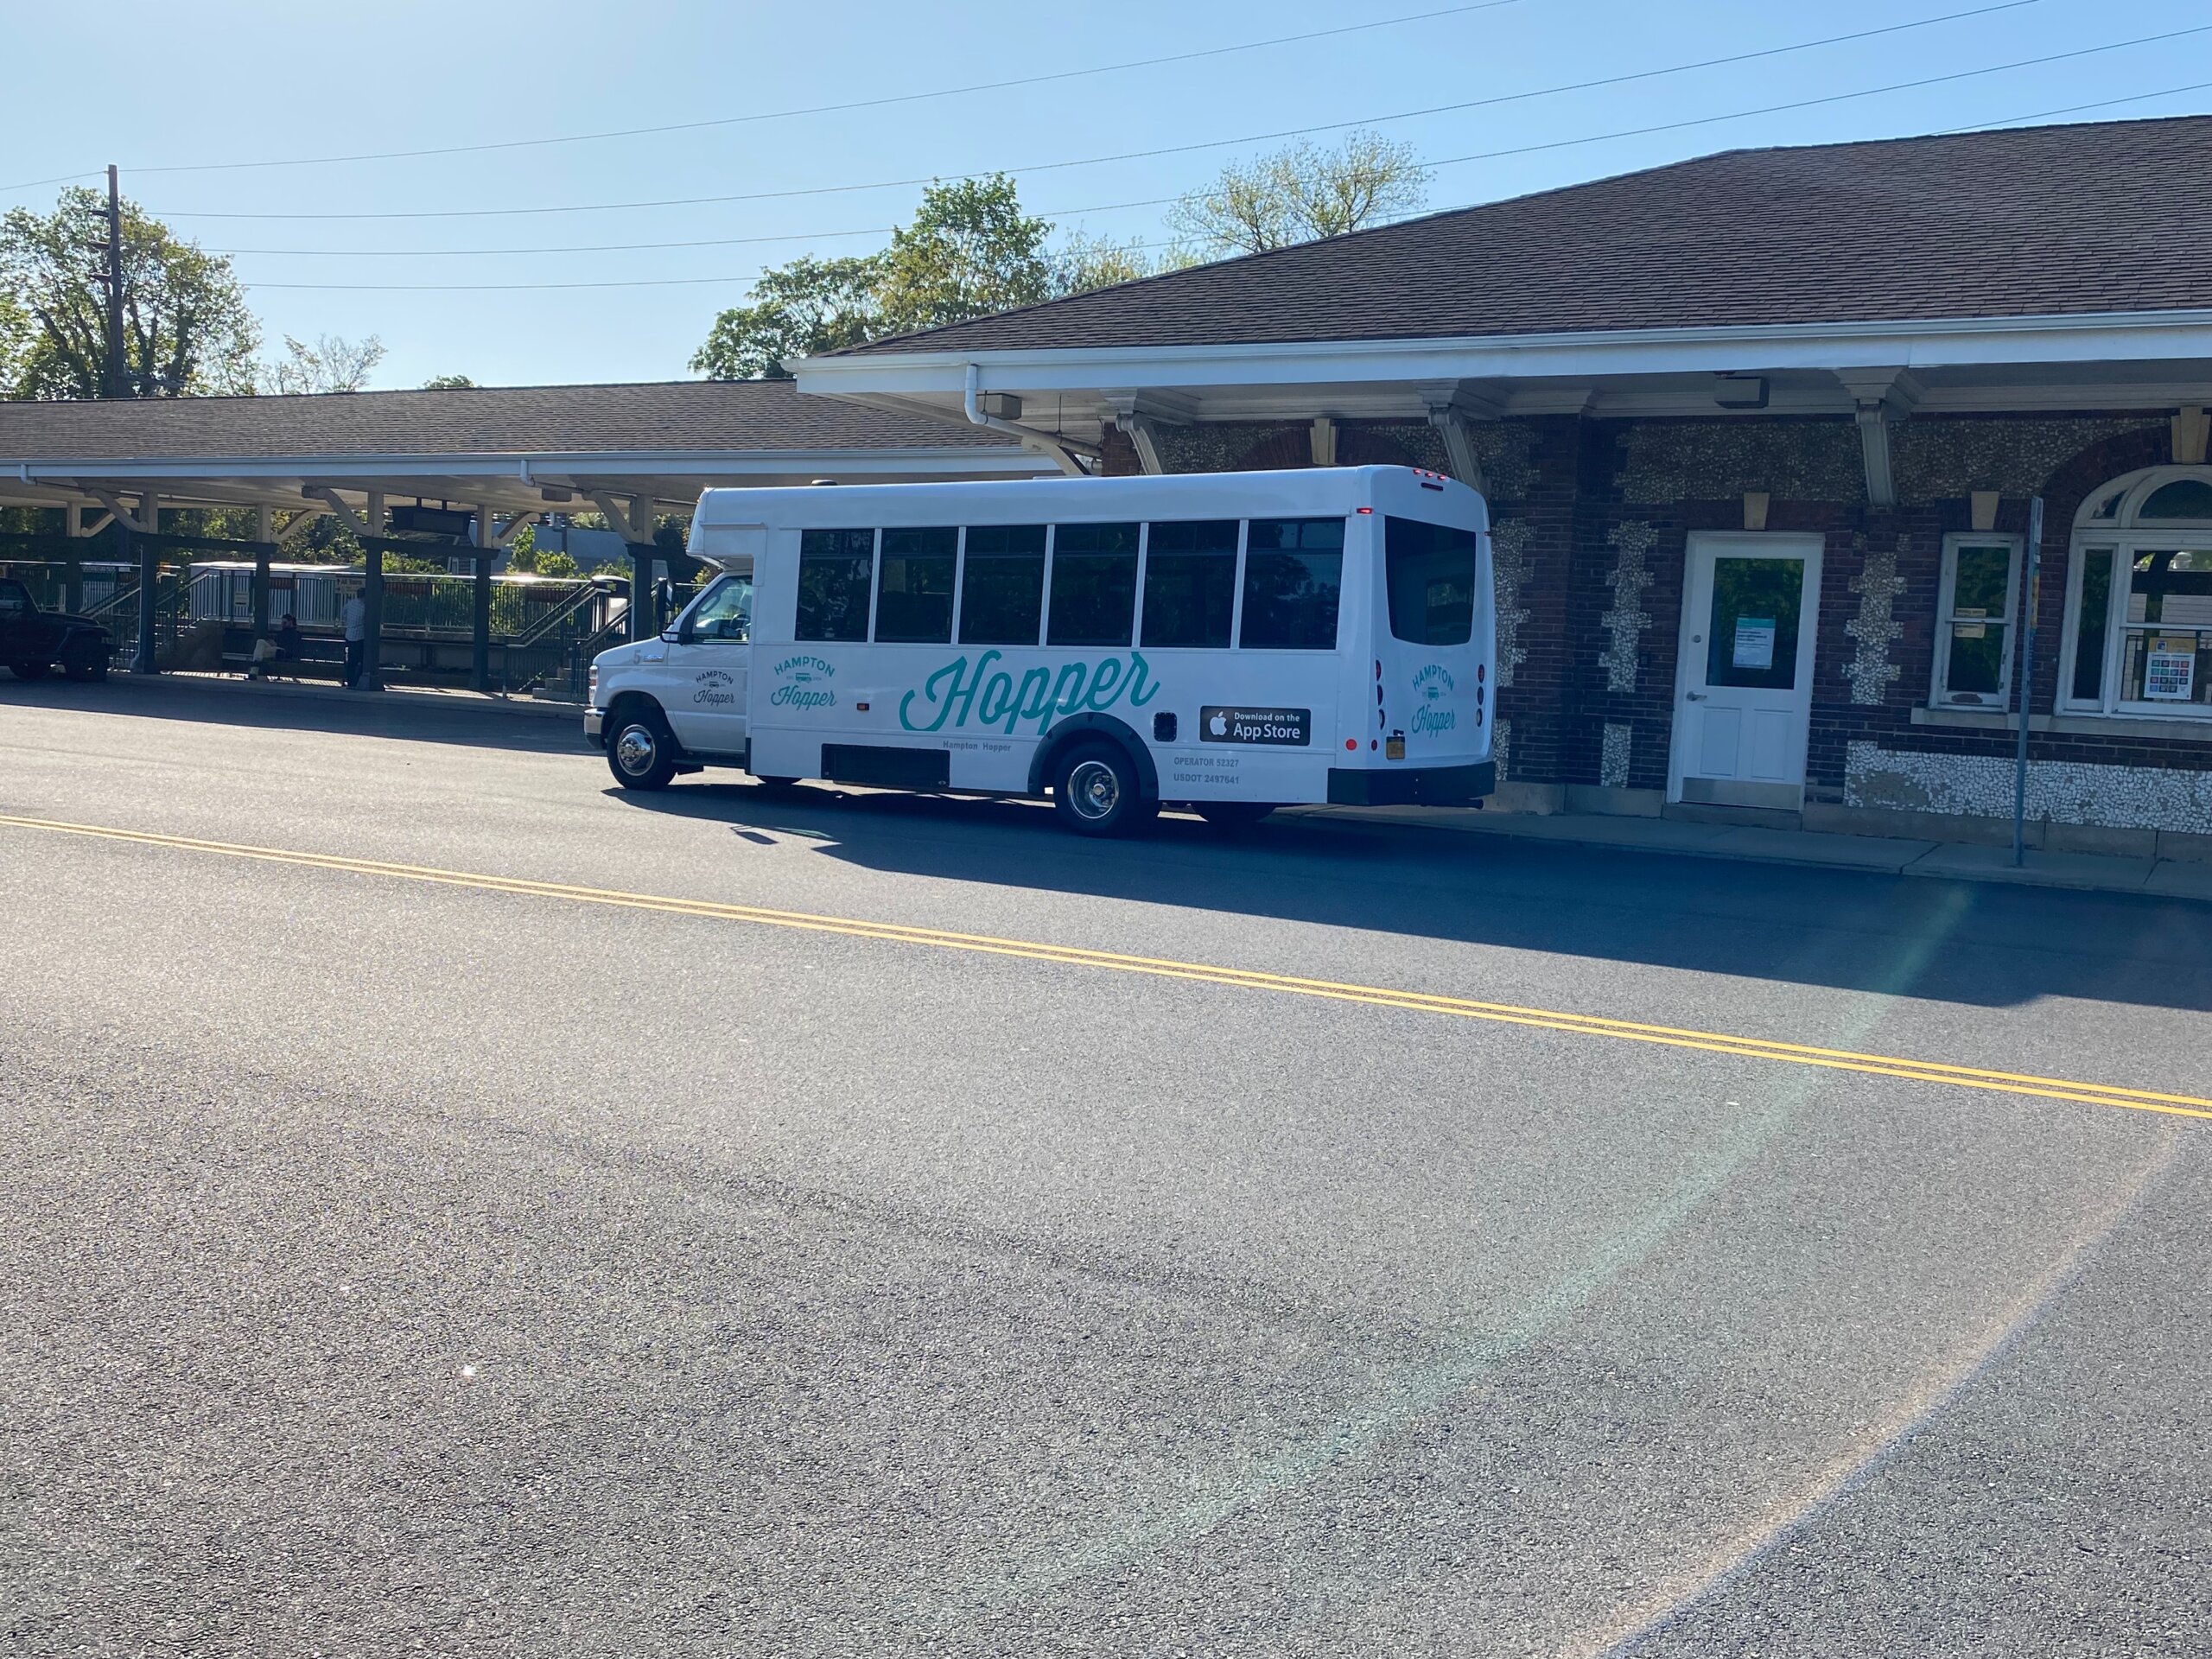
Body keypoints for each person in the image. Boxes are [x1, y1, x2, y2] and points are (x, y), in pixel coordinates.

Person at [340, 589, 366, 687]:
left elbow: (343, 614)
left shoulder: (350, 603)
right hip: (360, 636)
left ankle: (350, 682)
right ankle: (357, 681)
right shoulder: (365, 607)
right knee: (362, 661)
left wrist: (348, 622)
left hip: (349, 634)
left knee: (351, 661)